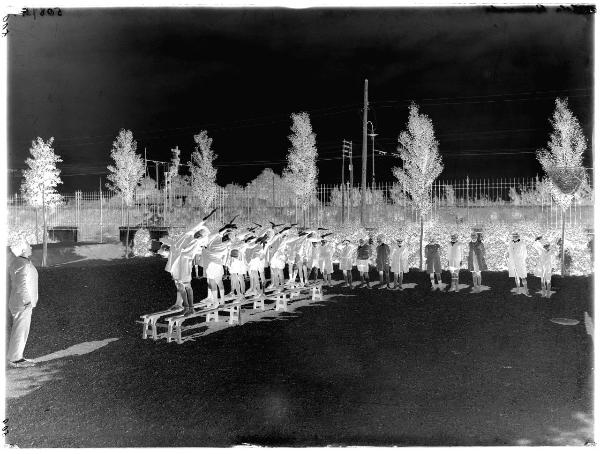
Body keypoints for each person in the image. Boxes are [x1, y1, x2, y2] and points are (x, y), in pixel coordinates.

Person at [7, 239, 38, 368]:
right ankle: (15, 359)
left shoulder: (20, 262)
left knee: (20, 330)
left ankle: (15, 356)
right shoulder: (22, 264)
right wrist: (27, 301)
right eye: (28, 245)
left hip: (19, 302)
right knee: (20, 330)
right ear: (23, 249)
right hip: (22, 303)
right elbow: (21, 284)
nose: (30, 247)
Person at [508, 232, 530, 297]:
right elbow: (510, 252)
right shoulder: (510, 243)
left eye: (516, 236)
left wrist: (522, 261)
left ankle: (526, 291)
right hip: (513, 262)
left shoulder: (522, 243)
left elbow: (525, 253)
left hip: (520, 262)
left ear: (518, 237)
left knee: (523, 277)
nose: (514, 237)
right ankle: (518, 291)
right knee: (516, 277)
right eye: (513, 236)